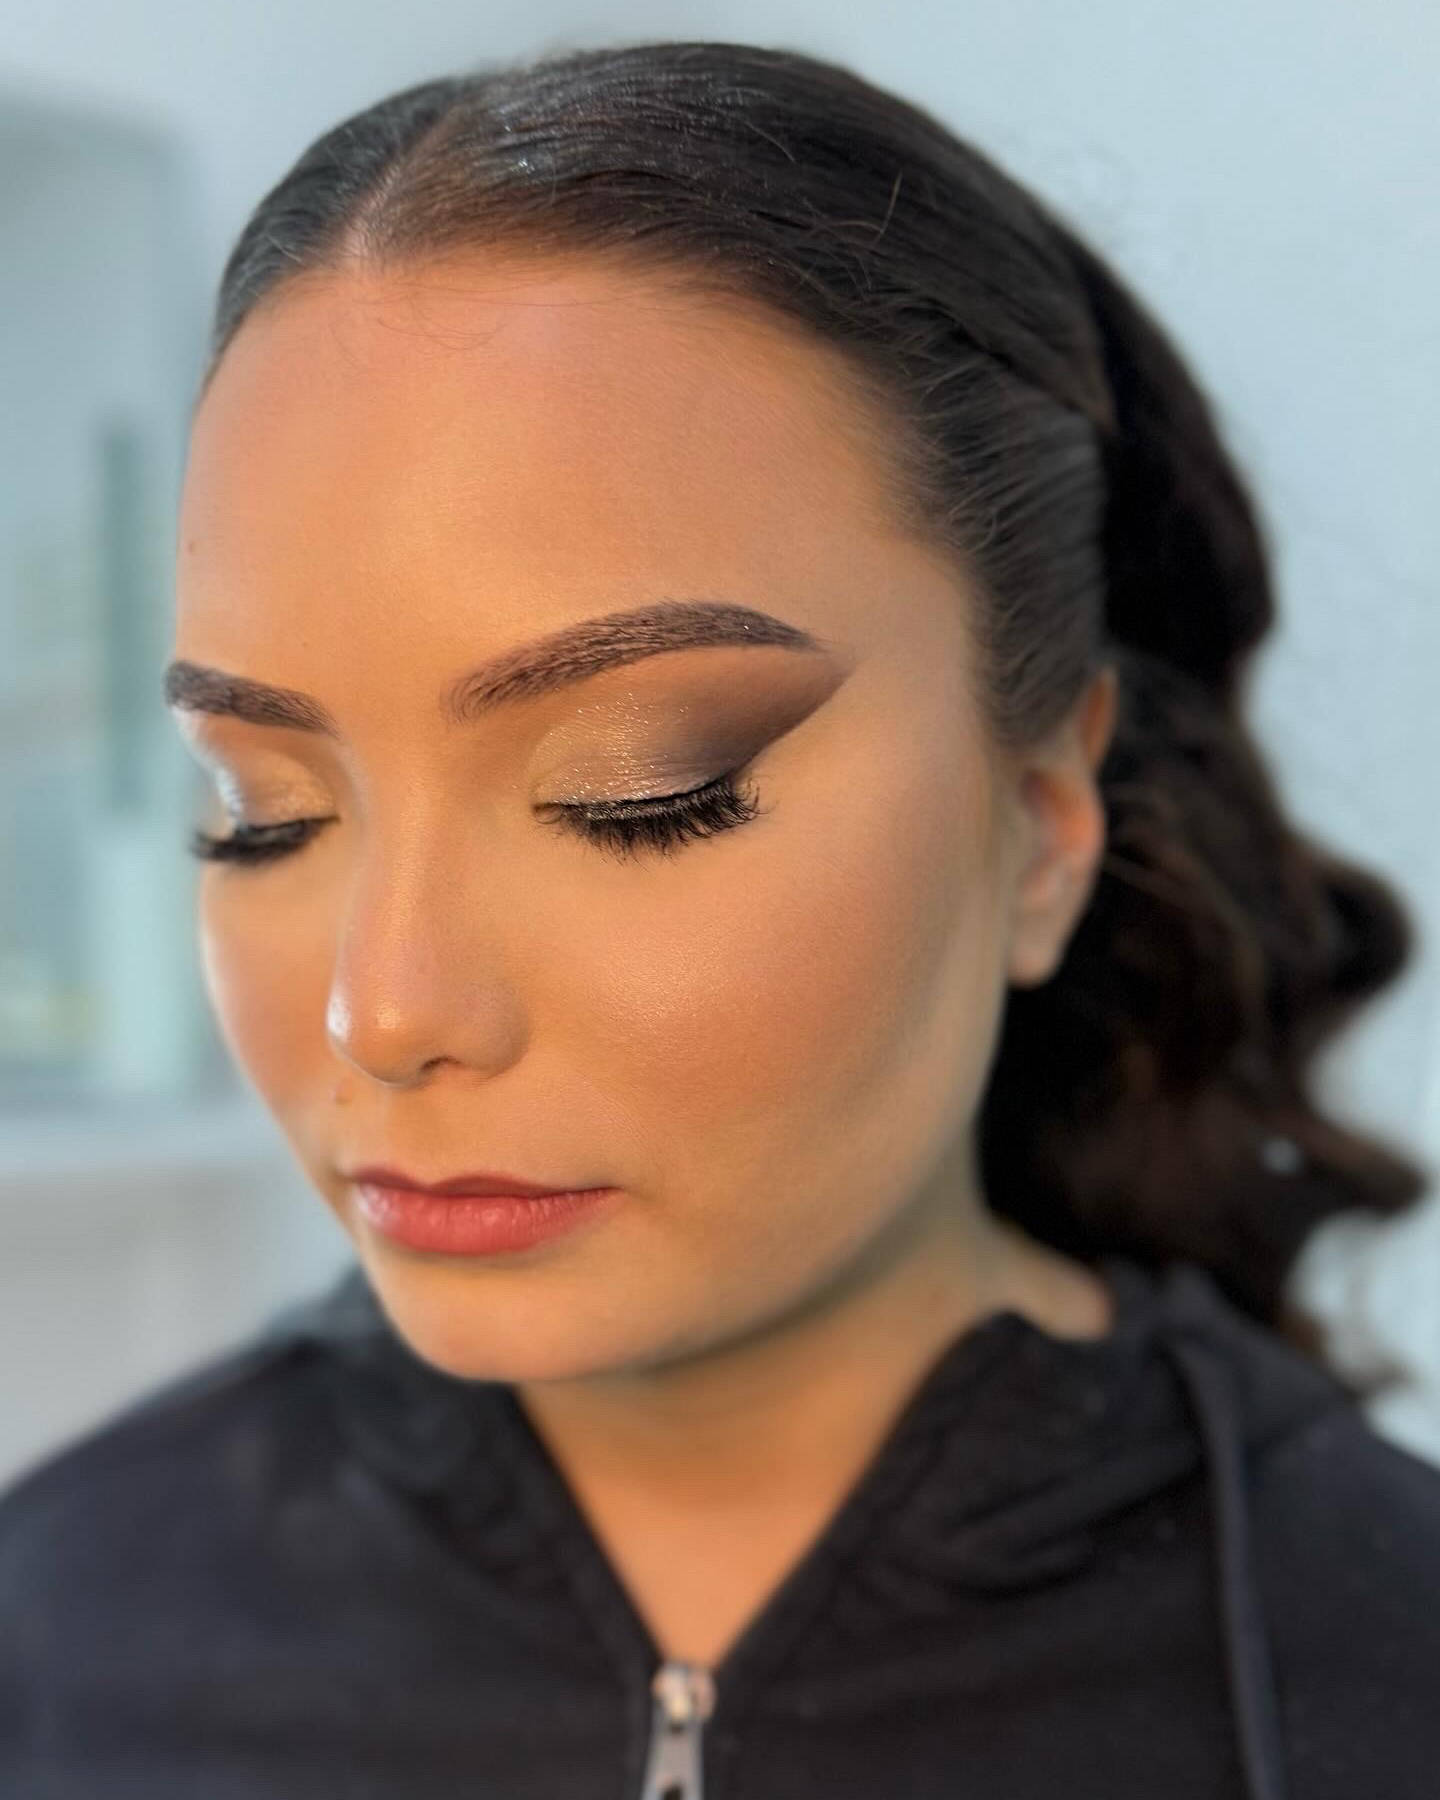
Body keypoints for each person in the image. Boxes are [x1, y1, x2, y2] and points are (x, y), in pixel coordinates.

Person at [1, 37, 1436, 1800]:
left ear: (1044, 827)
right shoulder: (58, 1632)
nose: (388, 1008)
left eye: (638, 793)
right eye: (263, 810)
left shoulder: (1385, 1666)